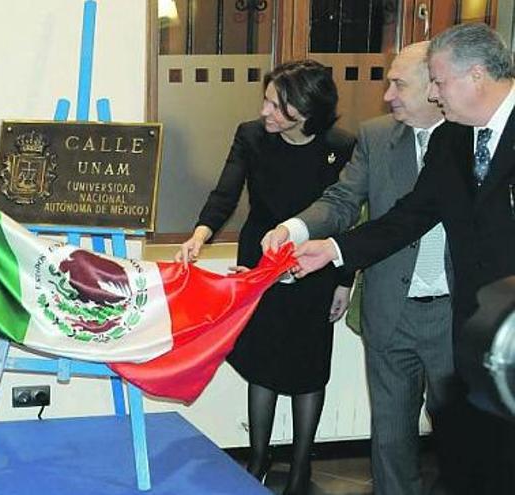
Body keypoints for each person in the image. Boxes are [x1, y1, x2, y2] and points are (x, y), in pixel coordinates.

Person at [291, 23, 515, 495]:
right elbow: (409, 216)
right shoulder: (454, 140)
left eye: (438, 81)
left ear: (475, 75)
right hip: (475, 328)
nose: (434, 94)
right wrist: (333, 251)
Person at [262, 42, 454, 495]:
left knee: (462, 444)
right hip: (390, 311)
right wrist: (295, 229)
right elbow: (342, 201)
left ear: (435, 88)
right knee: (390, 441)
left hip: (457, 313)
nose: (387, 94)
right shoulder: (376, 136)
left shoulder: (473, 139)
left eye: (399, 84)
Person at [176, 60, 354, 494]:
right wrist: (199, 237)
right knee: (263, 360)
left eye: (277, 105)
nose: (265, 111)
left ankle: (300, 467)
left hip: (314, 265)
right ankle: (258, 457)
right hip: (258, 262)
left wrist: (345, 279)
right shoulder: (251, 136)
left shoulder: (341, 144)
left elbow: (349, 214)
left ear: (306, 111)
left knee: (310, 366)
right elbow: (225, 193)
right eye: (267, 100)